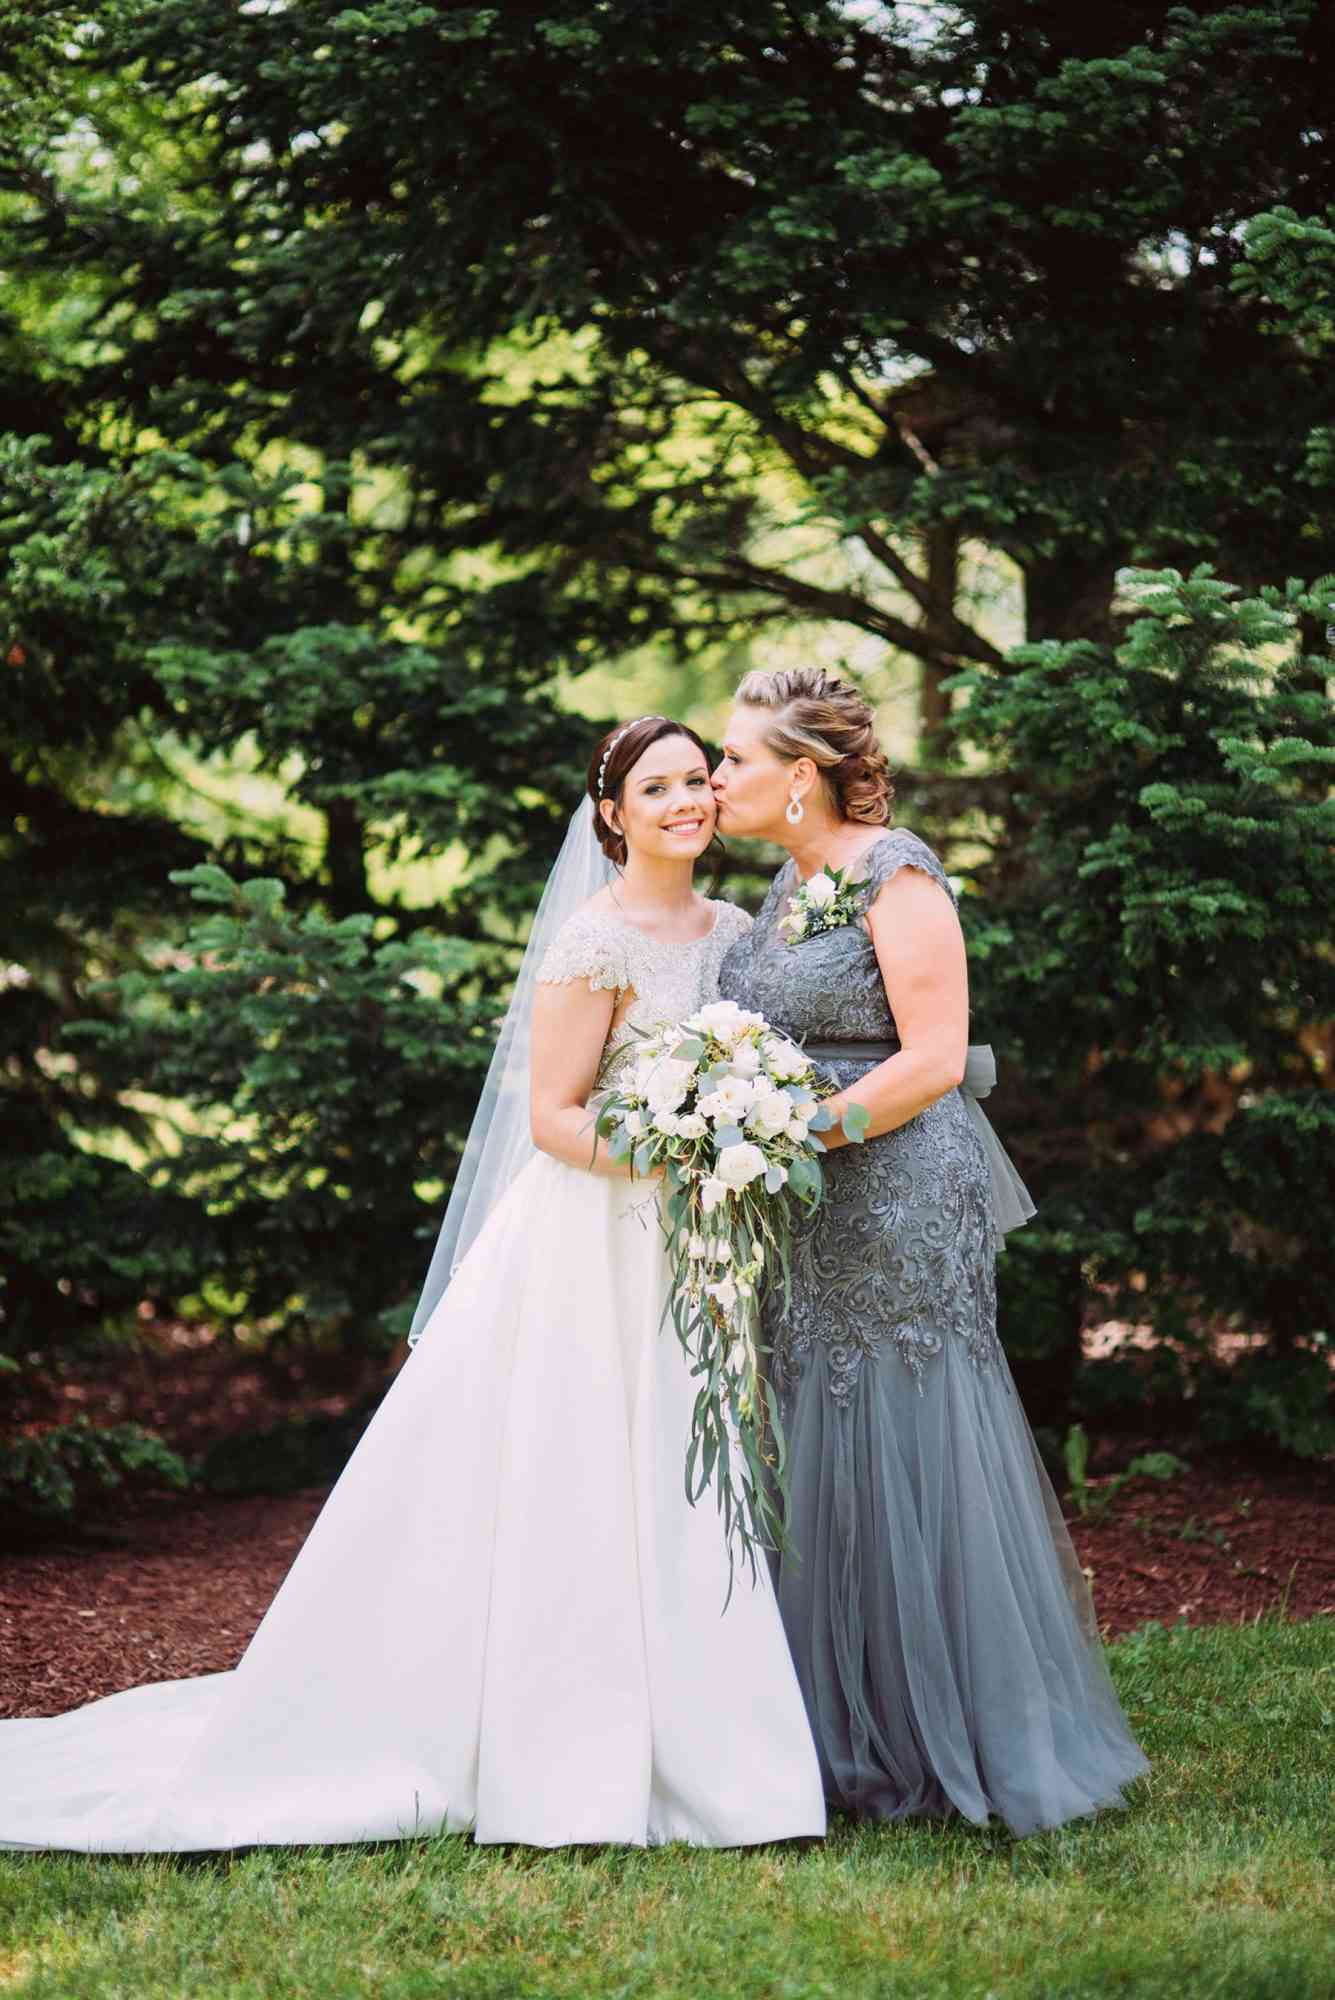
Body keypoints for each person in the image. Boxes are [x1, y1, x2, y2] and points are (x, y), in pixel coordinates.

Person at [0, 716, 826, 1854]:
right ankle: (561, 1746)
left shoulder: (734, 928)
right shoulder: (595, 940)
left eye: (697, 778)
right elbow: (552, 1120)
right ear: (613, 813)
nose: (687, 798)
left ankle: (702, 1739)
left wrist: (736, 1132)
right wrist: (684, 1144)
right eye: (658, 784)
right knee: (580, 1470)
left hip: (691, 1244)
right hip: (592, 1243)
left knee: (678, 1474)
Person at [712, 666, 1149, 1838]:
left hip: (897, 1186)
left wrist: (796, 1125)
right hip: (800, 1199)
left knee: (909, 1419)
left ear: (800, 777)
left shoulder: (895, 871)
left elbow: (938, 1054)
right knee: (813, 1419)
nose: (717, 778)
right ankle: (835, 1731)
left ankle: (955, 1727)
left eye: (735, 759)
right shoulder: (783, 882)